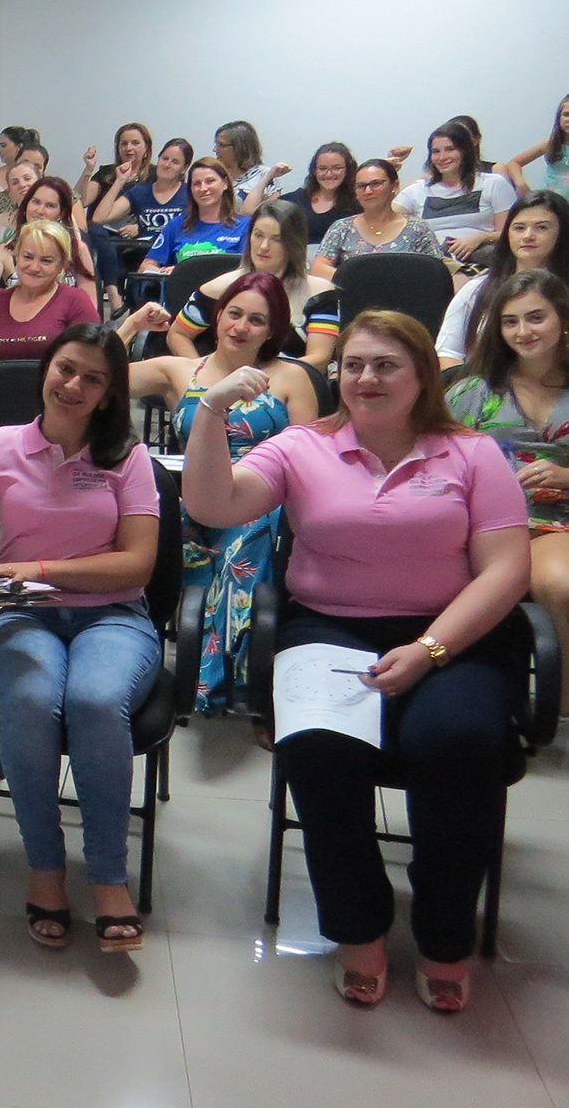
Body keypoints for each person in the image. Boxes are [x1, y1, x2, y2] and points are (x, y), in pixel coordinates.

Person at [183, 311, 530, 1013]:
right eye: (353, 365)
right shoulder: (302, 446)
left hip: (452, 636)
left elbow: (507, 572)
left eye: (385, 365)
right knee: (316, 749)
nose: (365, 378)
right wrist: (212, 414)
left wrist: (431, 649)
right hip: (330, 630)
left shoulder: (470, 453)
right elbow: (212, 503)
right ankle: (359, 929)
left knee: (459, 744)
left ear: (422, 376)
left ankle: (443, 934)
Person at [0, 324, 162, 954]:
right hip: (20, 615)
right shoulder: (0, 445)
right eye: (65, 369)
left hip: (112, 614)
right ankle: (46, 869)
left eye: (93, 378)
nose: (73, 385)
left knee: (94, 700)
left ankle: (108, 877)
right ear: (46, 370)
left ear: (110, 393)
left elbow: (136, 565)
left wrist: (41, 569)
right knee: (28, 699)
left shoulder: (127, 458)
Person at [131, 272, 316, 713]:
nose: (241, 327)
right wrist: (131, 325)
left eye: (256, 320)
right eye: (234, 314)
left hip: (261, 503)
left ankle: (227, 687)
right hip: (192, 500)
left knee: (247, 540)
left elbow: (309, 460)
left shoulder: (292, 377)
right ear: (217, 317)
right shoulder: (181, 371)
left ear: (272, 330)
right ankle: (195, 675)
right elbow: (93, 379)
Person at [447, 269, 569, 693]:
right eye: (510, 321)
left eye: (537, 318)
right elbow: (437, 461)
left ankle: (560, 706)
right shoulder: (474, 391)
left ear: (563, 319)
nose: (523, 331)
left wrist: (566, 477)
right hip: (492, 521)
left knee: (558, 579)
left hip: (559, 517)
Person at [0, 219, 133, 362]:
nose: (34, 267)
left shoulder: (74, 300)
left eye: (46, 260)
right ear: (16, 256)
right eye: (28, 257)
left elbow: (94, 356)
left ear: (62, 265)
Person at [167, 202, 340, 366]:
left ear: (294, 243)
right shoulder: (218, 288)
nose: (264, 246)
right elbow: (178, 334)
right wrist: (201, 375)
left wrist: (266, 380)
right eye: (258, 235)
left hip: (288, 387)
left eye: (277, 239)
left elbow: (320, 358)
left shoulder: (320, 293)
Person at [437, 191, 569, 364]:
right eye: (519, 228)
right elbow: (448, 352)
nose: (528, 235)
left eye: (542, 227)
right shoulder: (476, 290)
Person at [396, 120, 517, 265]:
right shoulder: (417, 190)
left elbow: (511, 232)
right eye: (436, 152)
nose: (442, 157)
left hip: (482, 258)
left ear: (465, 151)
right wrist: (390, 168)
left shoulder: (494, 183)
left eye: (450, 149)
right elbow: (383, 217)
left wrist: (480, 238)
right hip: (433, 260)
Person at [0, 176, 100, 307]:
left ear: (61, 213)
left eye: (50, 206)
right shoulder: (6, 250)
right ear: (25, 206)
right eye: (35, 202)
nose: (40, 211)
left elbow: (90, 306)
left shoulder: (77, 249)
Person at [311, 159, 444, 279]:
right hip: (355, 298)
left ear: (394, 186)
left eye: (376, 184)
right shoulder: (342, 227)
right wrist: (356, 280)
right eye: (361, 186)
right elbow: (318, 268)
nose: (368, 191)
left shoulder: (417, 228)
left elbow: (436, 272)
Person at [82, 124, 155, 309]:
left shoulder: (155, 175)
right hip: (105, 234)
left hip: (138, 237)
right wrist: (88, 169)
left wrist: (141, 226)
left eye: (135, 143)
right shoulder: (107, 172)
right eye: (124, 144)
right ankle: (113, 293)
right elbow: (82, 200)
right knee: (95, 229)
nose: (128, 148)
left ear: (146, 147)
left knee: (126, 266)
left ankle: (129, 313)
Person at [90, 138, 193, 265]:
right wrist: (120, 180)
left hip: (176, 258)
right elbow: (99, 218)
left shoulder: (190, 193)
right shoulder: (140, 192)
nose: (167, 165)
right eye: (164, 158)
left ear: (184, 168)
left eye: (175, 162)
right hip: (143, 258)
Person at [139, 159, 249, 273]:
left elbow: (247, 270)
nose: (203, 188)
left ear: (225, 183)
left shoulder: (245, 226)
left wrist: (186, 271)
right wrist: (168, 273)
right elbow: (145, 266)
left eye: (210, 181)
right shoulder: (176, 225)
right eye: (197, 184)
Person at [269, 143, 359, 245]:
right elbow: (251, 210)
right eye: (322, 168)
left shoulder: (358, 203)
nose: (329, 174)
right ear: (314, 171)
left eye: (337, 168)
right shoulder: (297, 200)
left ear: (348, 169)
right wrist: (269, 176)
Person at [496, 94, 569, 198]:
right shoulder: (550, 143)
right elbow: (514, 163)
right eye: (566, 114)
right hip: (552, 204)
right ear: (559, 117)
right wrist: (521, 185)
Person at [215, 120, 279, 204]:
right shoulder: (214, 173)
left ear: (240, 147)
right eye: (216, 144)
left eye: (222, 145)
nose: (215, 150)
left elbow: (269, 212)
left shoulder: (264, 175)